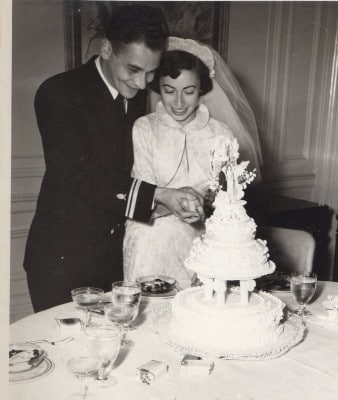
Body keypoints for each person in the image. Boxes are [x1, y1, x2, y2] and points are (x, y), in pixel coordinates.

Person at [24, 5, 204, 312]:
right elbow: (78, 177)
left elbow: (129, 175)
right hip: (63, 261)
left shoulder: (136, 97)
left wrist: (170, 200)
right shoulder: (58, 93)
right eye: (133, 70)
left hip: (113, 259)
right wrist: (159, 195)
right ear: (107, 49)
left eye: (151, 72)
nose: (141, 83)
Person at [123, 38, 236, 288]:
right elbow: (143, 192)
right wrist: (172, 205)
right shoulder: (145, 129)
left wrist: (207, 205)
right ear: (158, 89)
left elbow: (228, 201)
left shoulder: (221, 134)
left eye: (189, 91)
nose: (178, 102)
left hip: (204, 237)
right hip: (150, 235)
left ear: (202, 90)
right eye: (169, 90)